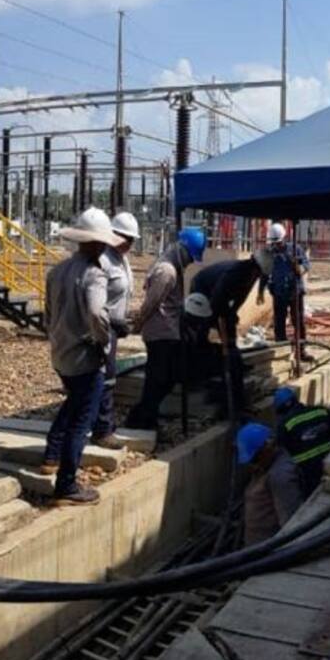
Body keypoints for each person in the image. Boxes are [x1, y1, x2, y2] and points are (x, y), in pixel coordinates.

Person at [42, 207, 124, 505]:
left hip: (61, 354)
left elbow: (48, 315)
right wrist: (103, 341)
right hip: (84, 359)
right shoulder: (94, 274)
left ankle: (51, 454)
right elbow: (95, 312)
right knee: (81, 422)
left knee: (73, 404)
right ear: (97, 242)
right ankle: (66, 485)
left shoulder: (57, 271)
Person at [123, 226, 206, 431]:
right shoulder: (166, 271)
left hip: (168, 331)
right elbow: (151, 303)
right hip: (160, 333)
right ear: (182, 249)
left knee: (165, 378)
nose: (189, 262)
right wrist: (138, 325)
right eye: (190, 257)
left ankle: (147, 417)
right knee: (158, 379)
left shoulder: (171, 267)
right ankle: (139, 419)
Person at [189, 250, 274, 415]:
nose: (259, 277)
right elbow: (216, 301)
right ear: (255, 267)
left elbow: (241, 296)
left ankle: (233, 359)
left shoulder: (252, 275)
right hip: (202, 287)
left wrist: (233, 312)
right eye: (260, 273)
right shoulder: (234, 273)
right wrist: (222, 323)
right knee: (204, 323)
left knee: (229, 326)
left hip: (217, 293)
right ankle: (197, 361)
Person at [90, 212, 138, 450]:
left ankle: (98, 423)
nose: (129, 244)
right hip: (101, 328)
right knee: (105, 378)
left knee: (108, 377)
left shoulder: (122, 259)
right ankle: (102, 430)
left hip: (113, 328)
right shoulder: (103, 260)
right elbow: (95, 303)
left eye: (132, 240)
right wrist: (112, 322)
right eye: (126, 238)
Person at [237, 421, 301, 545]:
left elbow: (290, 524)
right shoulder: (265, 465)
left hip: (267, 550)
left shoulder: (280, 476)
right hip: (255, 547)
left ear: (268, 447)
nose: (252, 465)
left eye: (255, 459)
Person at [273, 385, 330, 499]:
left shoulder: (284, 426)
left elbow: (280, 455)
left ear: (281, 410)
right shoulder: (322, 411)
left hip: (309, 476)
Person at [266, 222, 311, 343]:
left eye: (278, 242)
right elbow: (266, 273)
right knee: (279, 322)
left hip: (295, 291)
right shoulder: (270, 253)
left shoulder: (296, 249)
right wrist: (269, 288)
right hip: (279, 292)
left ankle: (301, 349)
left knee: (298, 321)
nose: (277, 245)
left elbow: (304, 268)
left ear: (284, 238)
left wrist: (296, 265)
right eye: (274, 243)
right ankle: (281, 347)